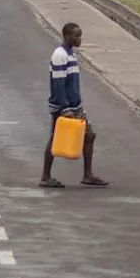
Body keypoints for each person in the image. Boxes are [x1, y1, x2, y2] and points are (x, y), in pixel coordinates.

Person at [41, 22, 108, 189]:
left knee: (89, 136)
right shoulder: (60, 55)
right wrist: (65, 108)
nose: (79, 39)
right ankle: (45, 176)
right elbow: (58, 84)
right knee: (55, 139)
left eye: (80, 35)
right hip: (63, 107)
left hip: (75, 106)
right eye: (76, 35)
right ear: (67, 36)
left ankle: (88, 174)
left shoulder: (71, 54)